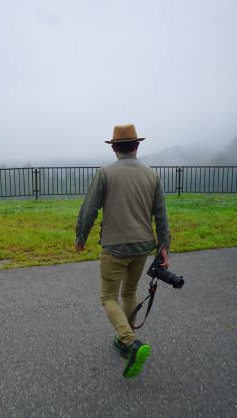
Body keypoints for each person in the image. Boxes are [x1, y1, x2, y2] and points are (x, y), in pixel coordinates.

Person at [75, 124, 171, 379]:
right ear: (136, 146)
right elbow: (161, 215)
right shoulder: (152, 175)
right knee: (129, 292)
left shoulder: (105, 173)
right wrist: (164, 248)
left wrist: (80, 236)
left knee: (108, 297)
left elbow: (89, 209)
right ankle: (125, 341)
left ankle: (130, 341)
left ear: (115, 148)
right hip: (142, 247)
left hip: (114, 246)